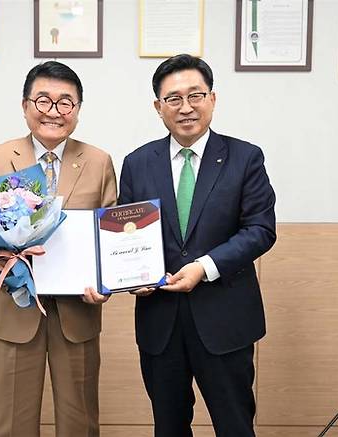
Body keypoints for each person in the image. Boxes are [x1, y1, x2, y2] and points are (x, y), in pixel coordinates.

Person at [118, 54, 276, 436]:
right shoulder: (137, 162)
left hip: (225, 320)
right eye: (173, 98)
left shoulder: (245, 157)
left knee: (235, 426)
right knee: (168, 428)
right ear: (158, 107)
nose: (186, 107)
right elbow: (128, 236)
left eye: (196, 95)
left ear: (213, 99)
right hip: (160, 321)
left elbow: (260, 229)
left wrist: (204, 266)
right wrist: (128, 276)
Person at [0, 61, 115, 437]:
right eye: (43, 100)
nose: (53, 112)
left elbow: (110, 236)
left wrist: (107, 280)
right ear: (25, 105)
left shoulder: (98, 162)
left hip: (76, 313)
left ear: (78, 110)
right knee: (12, 422)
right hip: (14, 311)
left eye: (66, 102)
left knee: (80, 421)